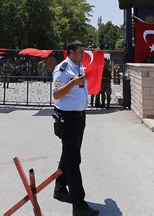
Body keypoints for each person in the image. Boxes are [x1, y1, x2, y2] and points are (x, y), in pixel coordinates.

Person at [51, 40, 99, 216]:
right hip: (68, 119)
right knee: (73, 161)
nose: (83, 55)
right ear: (70, 52)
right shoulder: (63, 69)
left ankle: (59, 187)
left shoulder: (79, 66)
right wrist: (72, 83)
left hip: (79, 117)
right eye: (80, 52)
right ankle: (79, 205)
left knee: (69, 154)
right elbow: (56, 93)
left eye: (83, 52)